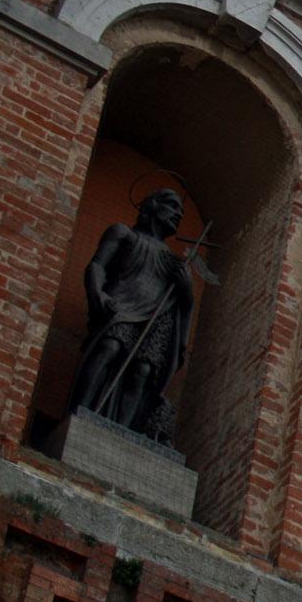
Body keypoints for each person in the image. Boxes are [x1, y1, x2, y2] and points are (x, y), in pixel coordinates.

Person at [66, 188, 195, 441]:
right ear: (152, 206)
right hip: (122, 304)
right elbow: (97, 265)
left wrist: (187, 291)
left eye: (180, 210)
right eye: (171, 206)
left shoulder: (173, 261)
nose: (178, 213)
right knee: (109, 348)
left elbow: (181, 303)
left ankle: (123, 433)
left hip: (157, 318)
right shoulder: (123, 234)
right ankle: (80, 411)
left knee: (142, 372)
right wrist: (97, 293)